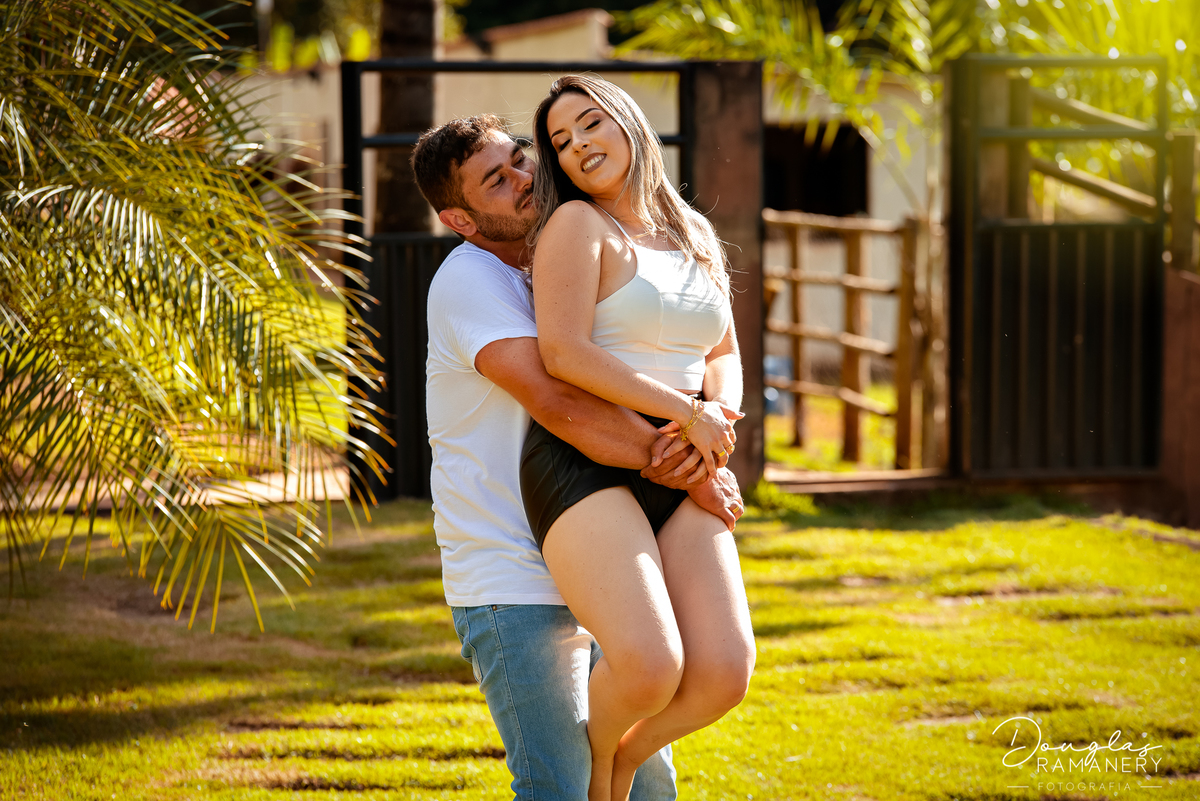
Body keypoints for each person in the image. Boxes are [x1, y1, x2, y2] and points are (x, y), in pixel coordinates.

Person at [412, 114, 745, 801]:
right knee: (561, 786)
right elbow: (560, 401)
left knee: (645, 785)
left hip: (609, 550)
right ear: (460, 220)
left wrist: (696, 452)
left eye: (520, 159)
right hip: (514, 571)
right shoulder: (470, 281)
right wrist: (690, 469)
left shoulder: (573, 252)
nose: (523, 178)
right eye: (495, 180)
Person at [521, 76, 756, 801]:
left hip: (687, 456)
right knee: (651, 666)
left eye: (590, 123)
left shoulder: (693, 230)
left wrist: (714, 422)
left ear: (628, 122)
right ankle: (598, 779)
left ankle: (620, 761)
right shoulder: (577, 226)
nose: (578, 144)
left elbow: (724, 353)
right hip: (587, 458)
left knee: (724, 672)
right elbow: (564, 352)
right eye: (561, 141)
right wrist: (686, 414)